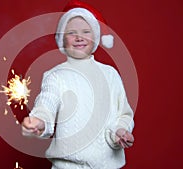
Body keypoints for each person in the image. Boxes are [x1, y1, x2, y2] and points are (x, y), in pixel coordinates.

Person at [22, 0, 134, 168]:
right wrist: (40, 120)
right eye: (71, 32)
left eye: (86, 31)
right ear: (61, 39)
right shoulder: (55, 76)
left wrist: (120, 131)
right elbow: (47, 103)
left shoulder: (110, 75)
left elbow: (123, 114)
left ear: (95, 37)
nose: (79, 37)